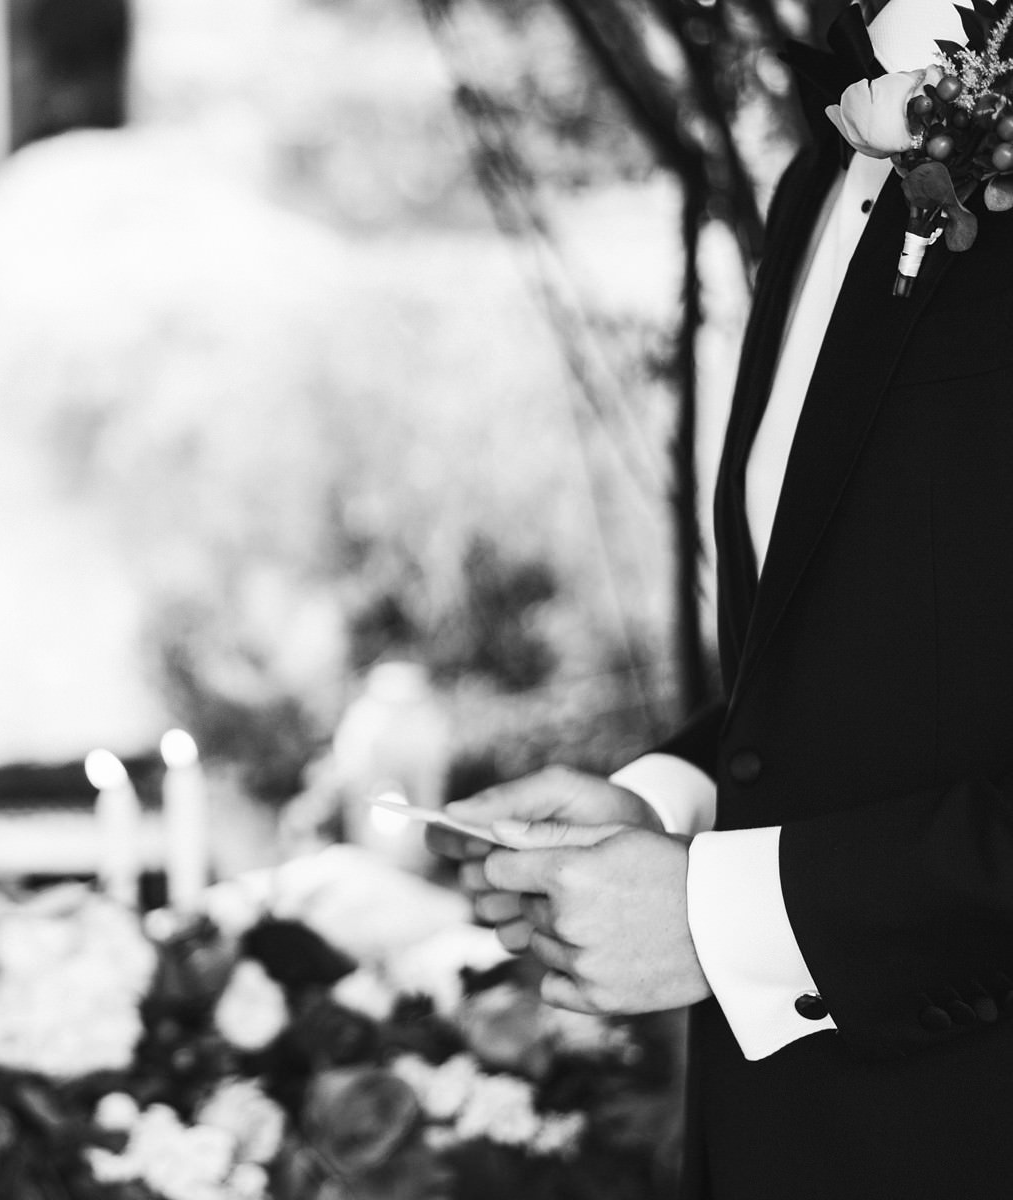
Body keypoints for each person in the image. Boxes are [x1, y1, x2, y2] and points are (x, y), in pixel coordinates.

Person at [426, 0, 1013, 1194]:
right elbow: (865, 640)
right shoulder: (821, 178)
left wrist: (728, 918)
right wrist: (666, 803)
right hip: (785, 1141)